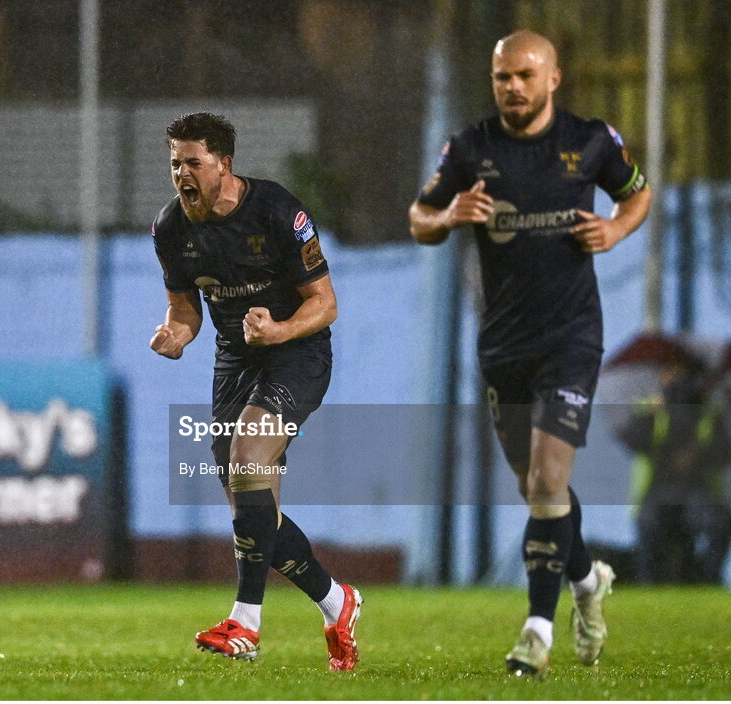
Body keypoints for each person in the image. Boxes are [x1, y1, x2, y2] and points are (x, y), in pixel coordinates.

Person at [408, 30, 652, 677]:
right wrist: (450, 214)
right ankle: (587, 583)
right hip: (504, 345)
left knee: (547, 481)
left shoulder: (591, 140)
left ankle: (536, 633)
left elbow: (638, 192)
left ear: (553, 79)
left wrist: (617, 227)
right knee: (535, 487)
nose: (512, 87)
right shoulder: (470, 148)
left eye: (524, 75)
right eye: (501, 78)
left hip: (572, 338)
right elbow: (419, 220)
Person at [150, 112, 361, 671]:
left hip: (298, 352)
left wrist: (280, 330)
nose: (181, 173)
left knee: (247, 458)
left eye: (193, 162)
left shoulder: (276, 210)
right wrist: (177, 333)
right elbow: (184, 309)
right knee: (250, 501)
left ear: (224, 163)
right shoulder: (171, 228)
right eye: (175, 163)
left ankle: (245, 622)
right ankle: (337, 602)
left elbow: (326, 303)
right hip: (234, 359)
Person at [620, 356, 731, 584]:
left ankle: (705, 579)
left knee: (719, 523)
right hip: (657, 491)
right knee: (649, 527)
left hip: (698, 490)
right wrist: (650, 412)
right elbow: (630, 438)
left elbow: (724, 453)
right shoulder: (652, 410)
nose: (676, 379)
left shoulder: (710, 413)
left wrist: (698, 454)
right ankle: (650, 584)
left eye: (682, 373)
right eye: (671, 373)